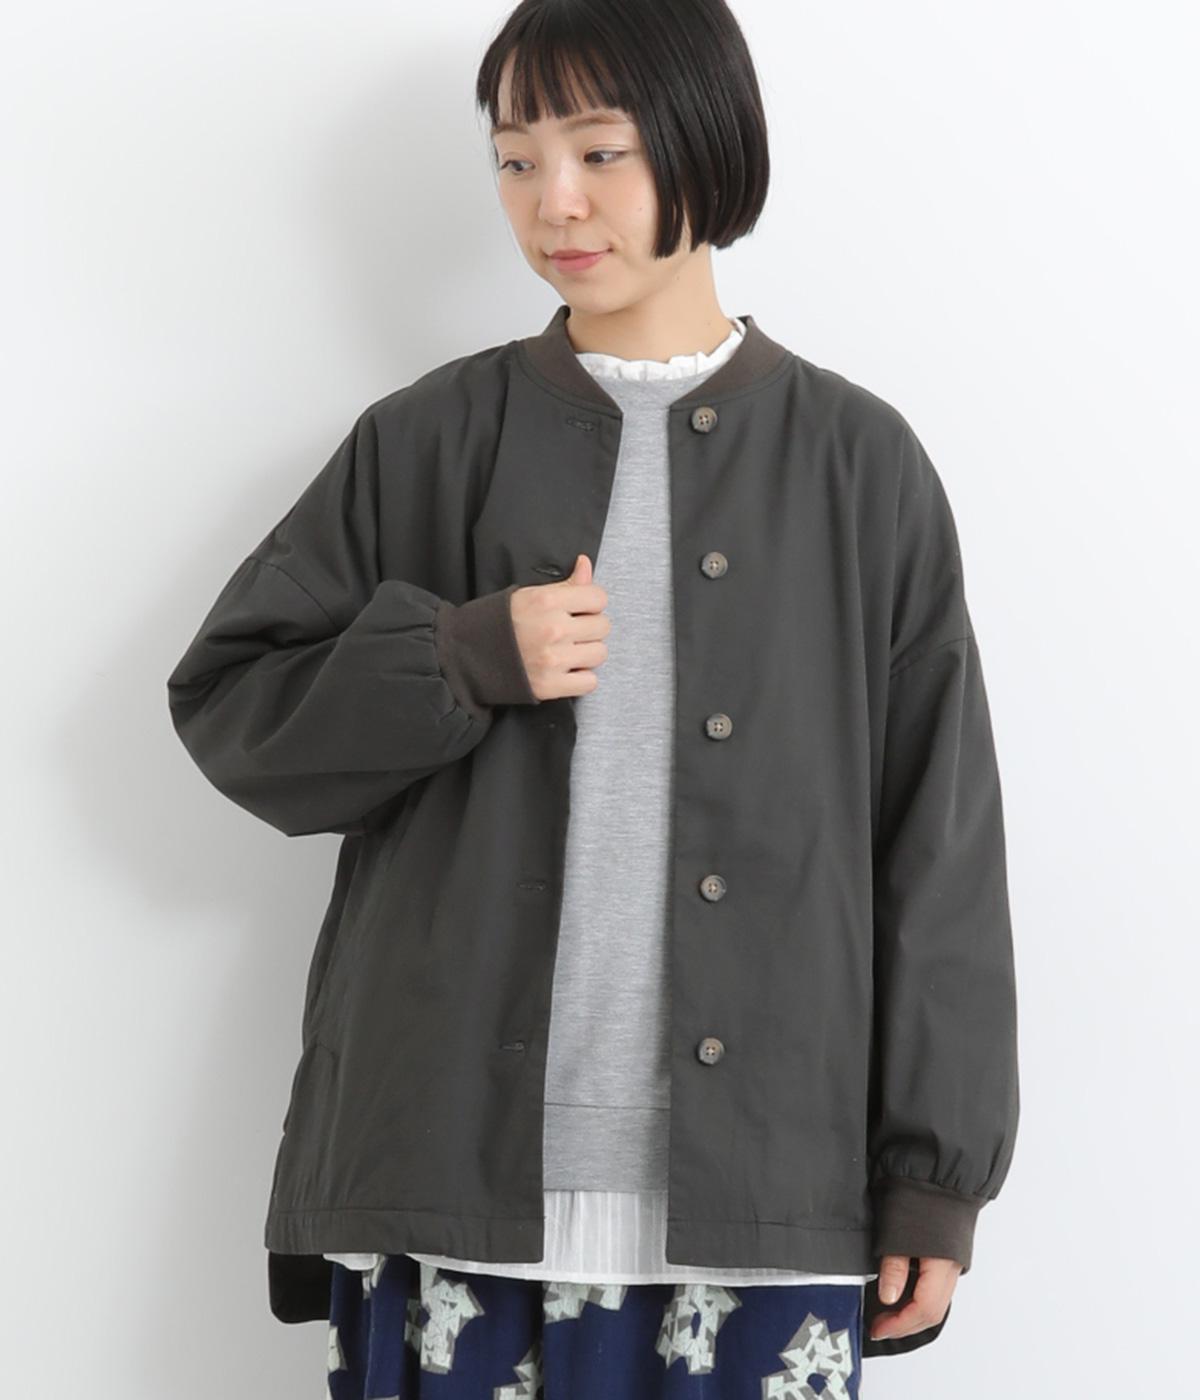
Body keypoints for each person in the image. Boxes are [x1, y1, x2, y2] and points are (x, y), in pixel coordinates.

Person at [166, 1, 1019, 1395]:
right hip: (450, 1188)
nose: (552, 202)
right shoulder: (428, 441)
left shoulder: (859, 469)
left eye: (599, 152)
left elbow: (941, 839)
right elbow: (232, 711)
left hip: (764, 1204)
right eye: (515, 159)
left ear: (706, 144)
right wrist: (455, 658)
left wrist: (933, 1176)